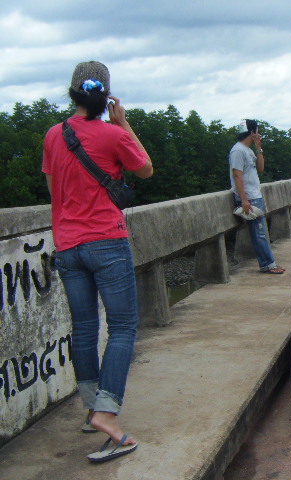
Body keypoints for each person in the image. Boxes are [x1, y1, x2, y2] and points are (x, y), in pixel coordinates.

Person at [42, 61, 153, 462]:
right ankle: (107, 413)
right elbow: (145, 168)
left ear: (73, 93)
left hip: (68, 245)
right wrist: (123, 124)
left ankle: (92, 408)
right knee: (123, 326)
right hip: (106, 241)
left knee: (84, 328)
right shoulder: (110, 134)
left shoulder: (54, 135)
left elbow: (54, 188)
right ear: (106, 97)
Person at [229, 119, 285, 274]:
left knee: (260, 231)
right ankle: (268, 264)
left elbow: (260, 168)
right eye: (257, 131)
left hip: (255, 195)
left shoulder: (248, 150)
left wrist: (259, 148)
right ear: (252, 132)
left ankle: (268, 263)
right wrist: (244, 199)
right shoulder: (238, 151)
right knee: (259, 232)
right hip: (249, 198)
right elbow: (237, 175)